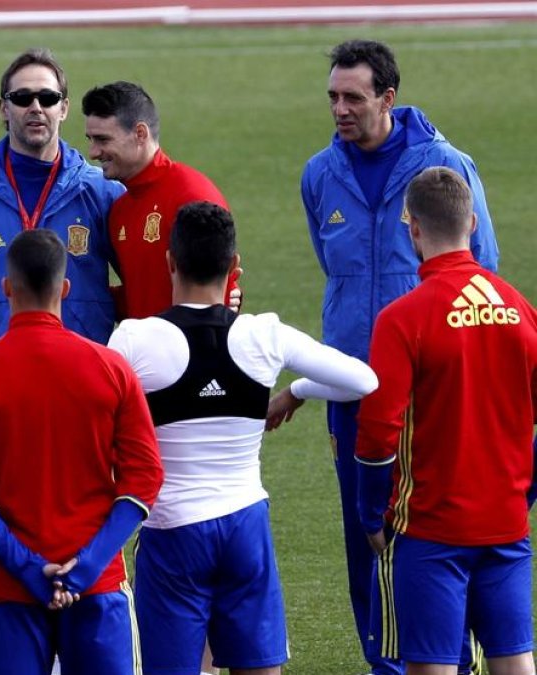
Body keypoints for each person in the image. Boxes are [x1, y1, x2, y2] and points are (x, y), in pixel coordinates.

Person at [108, 201, 379, 675]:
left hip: (172, 530)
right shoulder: (264, 335)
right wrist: (296, 391)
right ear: (233, 265)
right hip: (245, 527)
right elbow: (364, 381)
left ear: (170, 261)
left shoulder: (134, 339)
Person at [0, 49, 124, 673]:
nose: (35, 108)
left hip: (78, 398)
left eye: (47, 97)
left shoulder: (101, 194)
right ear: (2, 107)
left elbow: (144, 279)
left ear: (64, 107)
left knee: (87, 529)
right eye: (22, 97)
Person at [299, 39, 499, 675]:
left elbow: (482, 271)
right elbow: (335, 269)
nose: (340, 109)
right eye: (333, 97)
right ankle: (384, 665)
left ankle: (453, 662)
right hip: (354, 387)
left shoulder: (445, 166)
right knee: (366, 537)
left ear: (388, 98)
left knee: (435, 535)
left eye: (353, 98)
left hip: (431, 392)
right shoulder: (319, 174)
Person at [0, 228, 163, 675]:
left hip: (8, 590)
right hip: (98, 585)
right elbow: (144, 477)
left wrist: (27, 568)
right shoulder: (111, 369)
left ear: (6, 288)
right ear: (65, 288)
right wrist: (86, 567)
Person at [354, 167, 537, 675]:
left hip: (431, 529)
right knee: (515, 661)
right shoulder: (519, 308)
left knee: (431, 666)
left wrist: (370, 514)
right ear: (472, 224)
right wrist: (523, 494)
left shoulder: (403, 318)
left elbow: (377, 433)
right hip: (505, 527)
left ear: (412, 228)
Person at [81, 80, 239, 319]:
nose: (93, 152)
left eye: (103, 140)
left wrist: (232, 296)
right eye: (91, 140)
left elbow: (218, 299)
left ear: (140, 134)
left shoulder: (192, 196)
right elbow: (141, 297)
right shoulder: (120, 210)